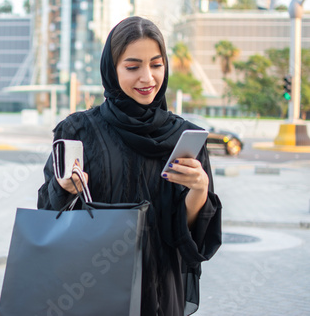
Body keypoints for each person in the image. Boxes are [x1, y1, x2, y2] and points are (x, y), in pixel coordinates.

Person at [37, 16, 222, 316]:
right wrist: (64, 188)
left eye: (156, 64)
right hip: (91, 286)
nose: (147, 78)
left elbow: (188, 237)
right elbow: (47, 215)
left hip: (160, 291)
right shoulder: (80, 130)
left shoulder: (184, 137)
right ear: (112, 70)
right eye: (133, 67)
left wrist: (199, 190)